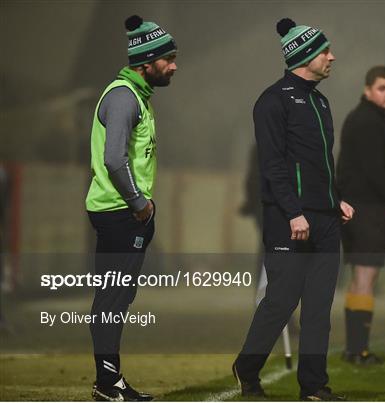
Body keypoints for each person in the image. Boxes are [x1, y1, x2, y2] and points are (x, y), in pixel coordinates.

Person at [232, 18, 354, 401]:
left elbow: (319, 163)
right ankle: (246, 367)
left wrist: (336, 199)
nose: (332, 57)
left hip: (326, 219)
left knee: (319, 308)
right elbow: (273, 166)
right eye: (325, 51)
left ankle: (314, 387)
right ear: (304, 56)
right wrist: (293, 212)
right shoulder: (272, 101)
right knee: (282, 302)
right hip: (289, 220)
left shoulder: (320, 100)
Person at [85, 15, 177, 401]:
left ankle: (110, 381)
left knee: (118, 298)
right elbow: (113, 159)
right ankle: (108, 384)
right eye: (167, 59)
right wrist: (140, 204)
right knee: (112, 298)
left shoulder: (136, 96)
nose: (174, 65)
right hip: (120, 213)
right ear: (146, 62)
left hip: (124, 213)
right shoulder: (124, 96)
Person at [336, 65, 385, 365]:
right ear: (368, 89)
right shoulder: (369, 121)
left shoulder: (364, 117)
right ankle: (359, 350)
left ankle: (353, 348)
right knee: (366, 278)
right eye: (383, 88)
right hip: (367, 210)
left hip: (355, 208)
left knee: (359, 279)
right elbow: (376, 173)